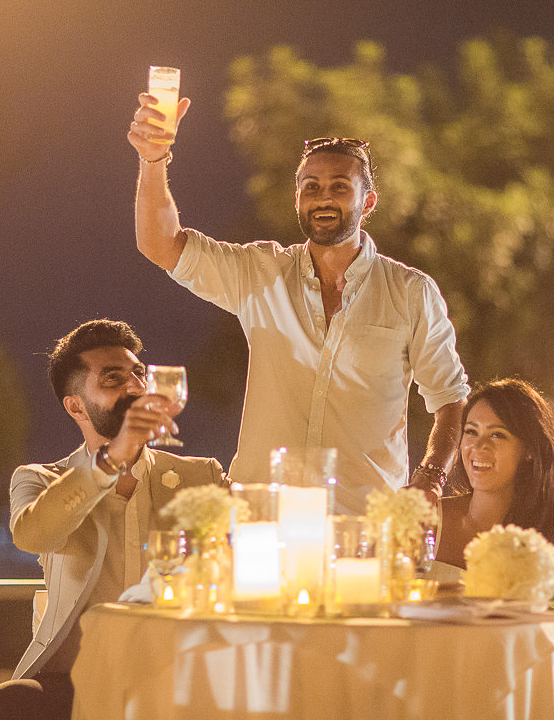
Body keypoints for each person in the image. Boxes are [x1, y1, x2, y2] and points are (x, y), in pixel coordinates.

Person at [127, 94, 469, 514]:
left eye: (340, 187)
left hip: (363, 525)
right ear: (297, 199)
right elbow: (159, 244)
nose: (324, 198)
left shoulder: (411, 292)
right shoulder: (261, 273)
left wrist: (431, 478)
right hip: (261, 521)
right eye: (312, 188)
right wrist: (153, 158)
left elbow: (450, 398)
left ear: (369, 201)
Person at [0, 319, 228, 720]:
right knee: (6, 706)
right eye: (113, 379)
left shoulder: (201, 477)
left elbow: (252, 545)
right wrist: (113, 458)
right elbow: (34, 536)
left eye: (138, 374)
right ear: (76, 405)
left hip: (182, 682)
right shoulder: (41, 479)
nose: (135, 386)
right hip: (79, 689)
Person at [433, 378, 554, 638]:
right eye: (471, 431)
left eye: (497, 434)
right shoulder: (428, 520)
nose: (479, 446)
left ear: (529, 450)